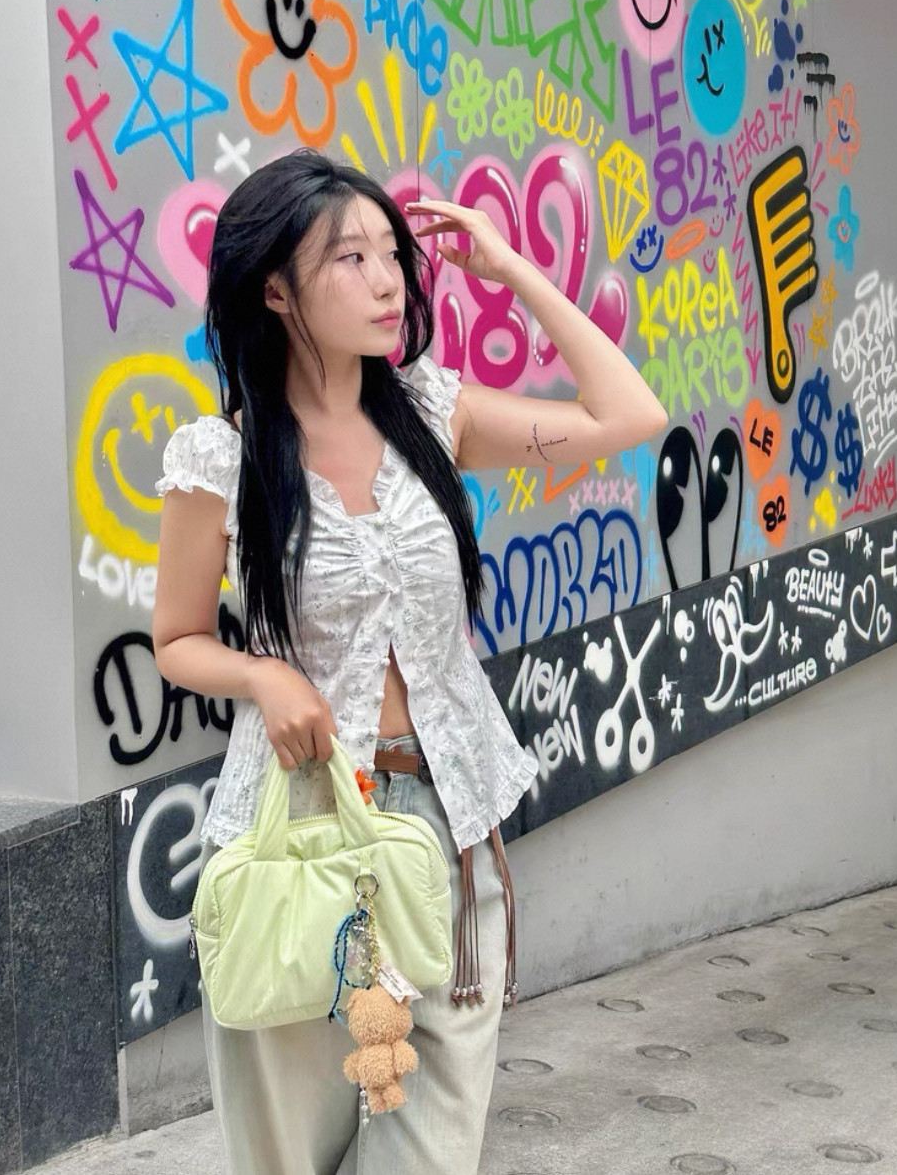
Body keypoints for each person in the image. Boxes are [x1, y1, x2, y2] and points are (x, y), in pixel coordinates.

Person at [151, 148, 668, 1174]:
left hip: (443, 824)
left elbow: (629, 416)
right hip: (297, 838)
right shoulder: (220, 459)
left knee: (431, 1144)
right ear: (275, 290)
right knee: (290, 1150)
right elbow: (177, 640)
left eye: (393, 253)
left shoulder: (436, 412)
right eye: (351, 258)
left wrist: (510, 269)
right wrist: (264, 674)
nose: (388, 279)